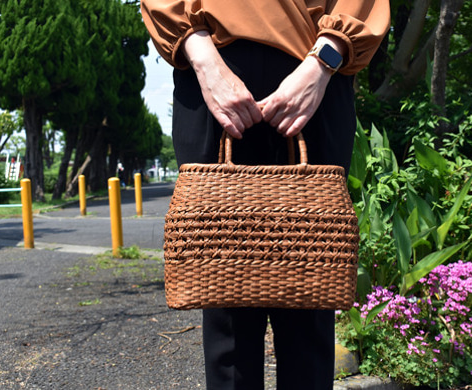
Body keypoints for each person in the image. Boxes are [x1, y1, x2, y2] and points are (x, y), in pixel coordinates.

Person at [140, 1, 390, 389]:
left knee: (311, 295)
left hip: (315, 73)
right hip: (210, 65)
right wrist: (203, 58)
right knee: (224, 303)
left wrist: (322, 63)